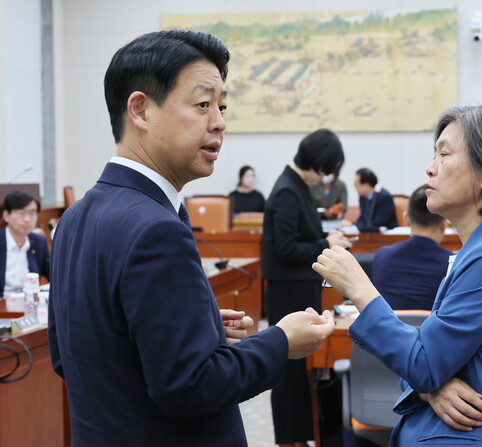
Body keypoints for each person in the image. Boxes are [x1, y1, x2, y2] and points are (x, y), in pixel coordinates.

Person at [48, 29, 336, 447]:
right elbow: (190, 386)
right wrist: (281, 340)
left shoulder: (75, 218)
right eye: (203, 105)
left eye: (221, 106)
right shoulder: (155, 228)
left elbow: (70, 353)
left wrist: (188, 328)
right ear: (141, 110)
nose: (220, 122)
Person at [314, 105, 482, 446]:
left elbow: (423, 364)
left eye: (444, 154)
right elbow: (430, 364)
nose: (430, 167)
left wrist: (359, 288)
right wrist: (430, 389)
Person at [262, 128, 351, 447]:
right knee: (289, 374)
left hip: (299, 290)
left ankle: (301, 438)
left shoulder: (297, 186)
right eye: (327, 170)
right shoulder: (288, 190)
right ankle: (290, 440)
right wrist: (324, 243)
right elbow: (286, 247)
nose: (327, 178)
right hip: (288, 293)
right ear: (318, 163)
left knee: (300, 374)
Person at [371, 185, 450, 311]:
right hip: (431, 331)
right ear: (444, 224)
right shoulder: (452, 265)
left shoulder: (382, 256)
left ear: (406, 219)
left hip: (388, 330)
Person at [1, 189, 50, 296]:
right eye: (21, 213)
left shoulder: (39, 242)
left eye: (32, 213)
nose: (27, 219)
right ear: (6, 216)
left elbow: (53, 273)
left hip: (29, 303)